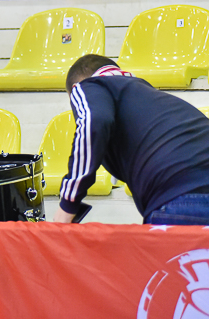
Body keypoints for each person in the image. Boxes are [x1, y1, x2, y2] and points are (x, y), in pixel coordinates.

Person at [54, 54, 209, 225]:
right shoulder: (147, 95)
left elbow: (94, 121)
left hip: (178, 194)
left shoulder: (89, 85)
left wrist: (67, 205)